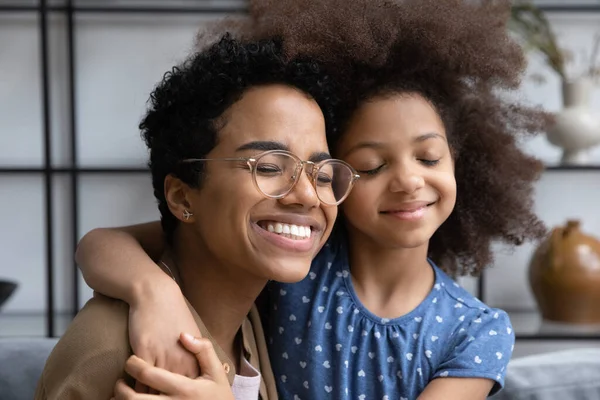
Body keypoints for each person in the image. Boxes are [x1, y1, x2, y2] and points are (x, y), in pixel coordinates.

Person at [76, 0, 549, 399]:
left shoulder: (478, 332)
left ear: (463, 165)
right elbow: (105, 244)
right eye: (369, 166)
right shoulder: (292, 262)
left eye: (429, 157)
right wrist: (152, 291)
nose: (408, 181)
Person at [34, 33, 360, 400]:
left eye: (325, 175)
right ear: (182, 195)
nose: (306, 195)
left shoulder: (254, 318)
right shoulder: (112, 351)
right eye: (268, 167)